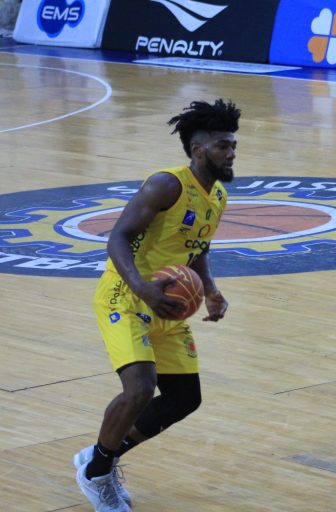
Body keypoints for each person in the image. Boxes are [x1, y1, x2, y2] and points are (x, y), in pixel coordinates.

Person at [74, 99, 239, 511]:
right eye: (223, 146)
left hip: (165, 304)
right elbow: (117, 237)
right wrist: (141, 287)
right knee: (140, 389)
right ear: (198, 150)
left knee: (184, 397)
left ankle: (99, 457)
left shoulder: (217, 195)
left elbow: (197, 247)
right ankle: (97, 475)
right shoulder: (166, 185)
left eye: (233, 145)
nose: (231, 153)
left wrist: (211, 289)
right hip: (127, 295)